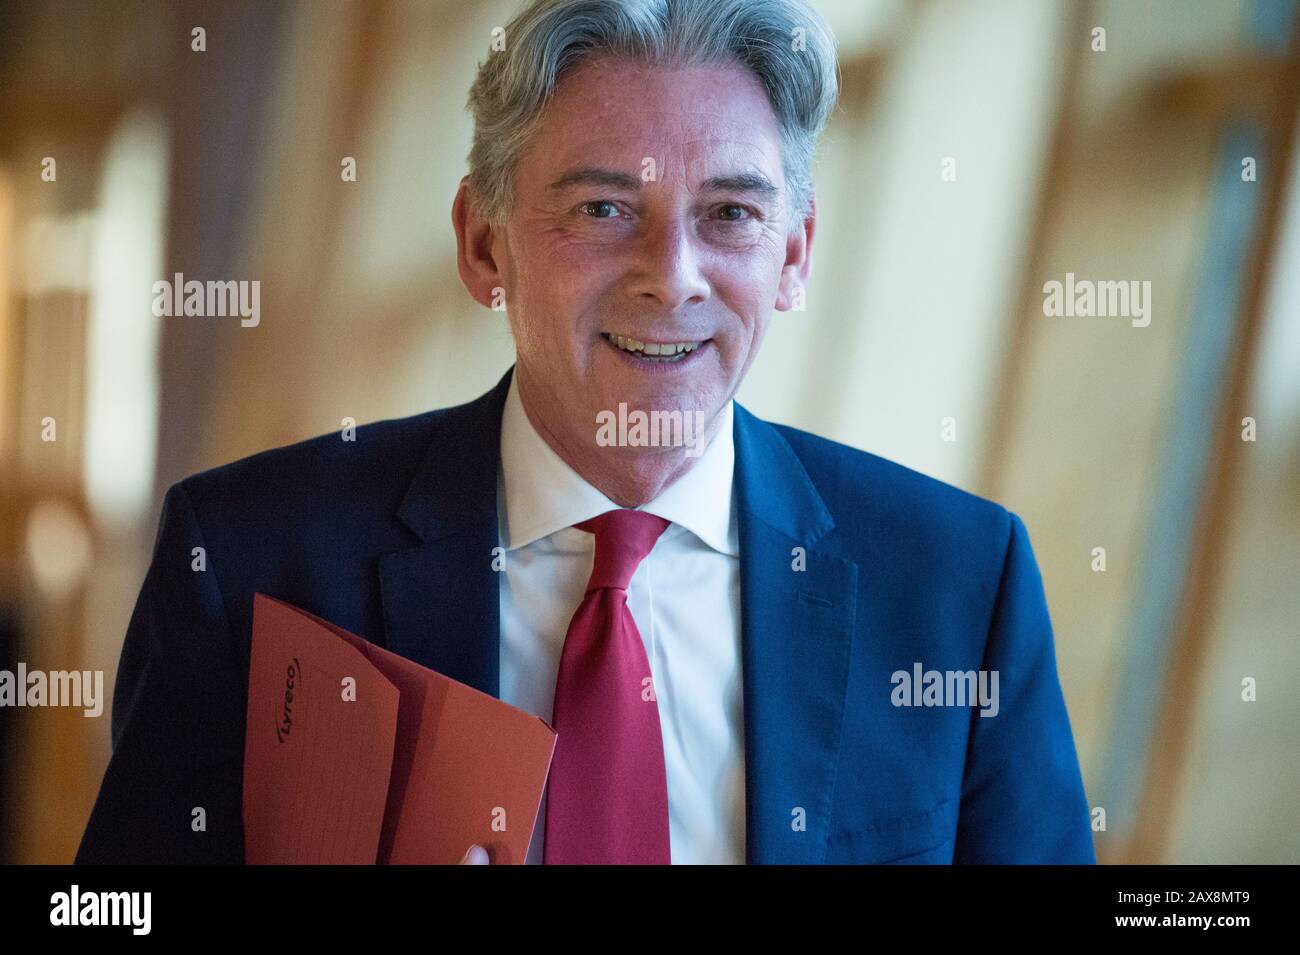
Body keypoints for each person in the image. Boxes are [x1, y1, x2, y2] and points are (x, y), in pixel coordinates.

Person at [77, 0, 1095, 865]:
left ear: (794, 254)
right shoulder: (250, 557)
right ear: (483, 243)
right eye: (605, 207)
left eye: (730, 215)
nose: (673, 274)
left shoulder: (961, 585)